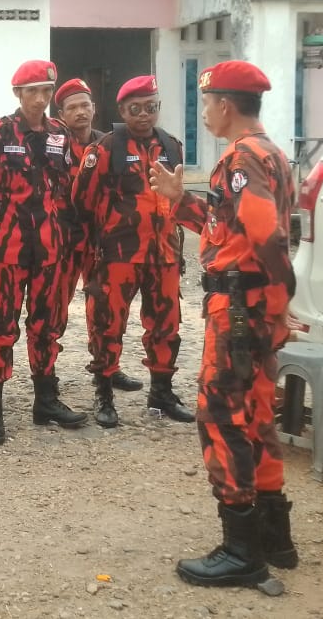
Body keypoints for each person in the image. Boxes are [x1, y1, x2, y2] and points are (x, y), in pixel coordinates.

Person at [150, 60, 297, 588]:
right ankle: (276, 538)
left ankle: (242, 551)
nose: (205, 111)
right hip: (254, 304)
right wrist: (178, 200)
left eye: (207, 102)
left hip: (238, 308)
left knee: (220, 417)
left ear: (226, 105)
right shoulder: (272, 154)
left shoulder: (241, 158)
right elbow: (227, 228)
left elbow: (266, 236)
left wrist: (279, 300)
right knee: (256, 413)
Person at [0, 61, 87, 445]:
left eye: (46, 91)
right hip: (8, 245)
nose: (40, 99)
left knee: (45, 325)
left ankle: (45, 400)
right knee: (1, 327)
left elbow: (66, 184)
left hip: (49, 247)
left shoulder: (59, 133)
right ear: (17, 93)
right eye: (32, 91)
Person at [71, 75, 194, 428]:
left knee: (166, 326)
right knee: (107, 325)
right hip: (117, 255)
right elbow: (83, 200)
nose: (144, 115)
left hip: (165, 255)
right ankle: (104, 393)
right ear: (122, 110)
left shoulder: (171, 145)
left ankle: (162, 393)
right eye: (135, 108)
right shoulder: (105, 149)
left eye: (151, 107)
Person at [53, 79, 105, 368]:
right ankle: (47, 373)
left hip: (98, 239)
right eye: (72, 107)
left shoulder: (106, 145)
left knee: (102, 304)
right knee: (55, 307)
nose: (80, 112)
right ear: (62, 115)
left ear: (94, 108)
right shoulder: (54, 147)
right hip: (64, 239)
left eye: (85, 105)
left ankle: (105, 365)